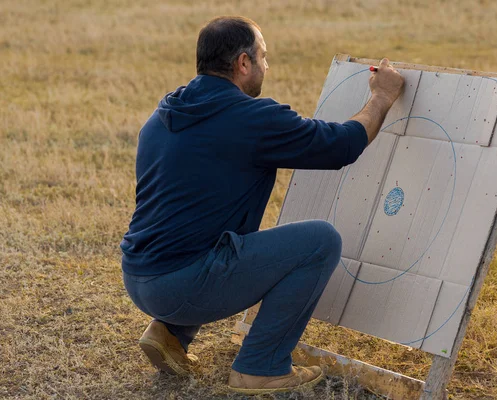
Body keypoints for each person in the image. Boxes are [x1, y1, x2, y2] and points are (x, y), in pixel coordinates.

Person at [120, 15, 404, 395]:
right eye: (263, 57)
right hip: (180, 286)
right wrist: (382, 97)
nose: (266, 66)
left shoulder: (166, 111)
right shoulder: (252, 118)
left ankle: (169, 332)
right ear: (242, 63)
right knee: (320, 241)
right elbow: (343, 144)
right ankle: (261, 367)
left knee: (203, 225)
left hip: (139, 276)